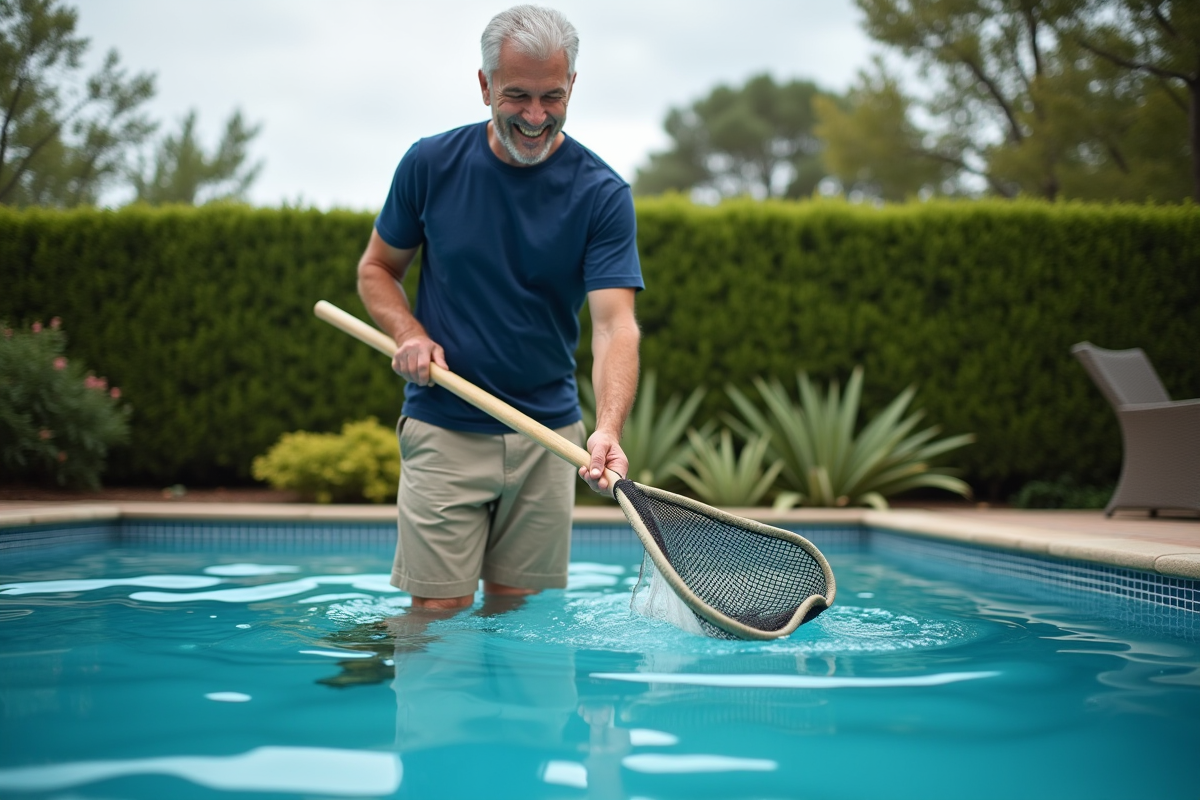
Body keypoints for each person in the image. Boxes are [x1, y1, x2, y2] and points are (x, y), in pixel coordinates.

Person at [356, 5, 643, 612]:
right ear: (485, 85)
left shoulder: (602, 195)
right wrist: (408, 331)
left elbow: (615, 325)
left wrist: (608, 428)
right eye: (517, 96)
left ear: (571, 88)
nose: (536, 117)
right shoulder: (429, 165)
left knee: (520, 615)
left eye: (552, 97)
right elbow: (376, 269)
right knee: (437, 612)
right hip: (444, 424)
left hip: (547, 434)